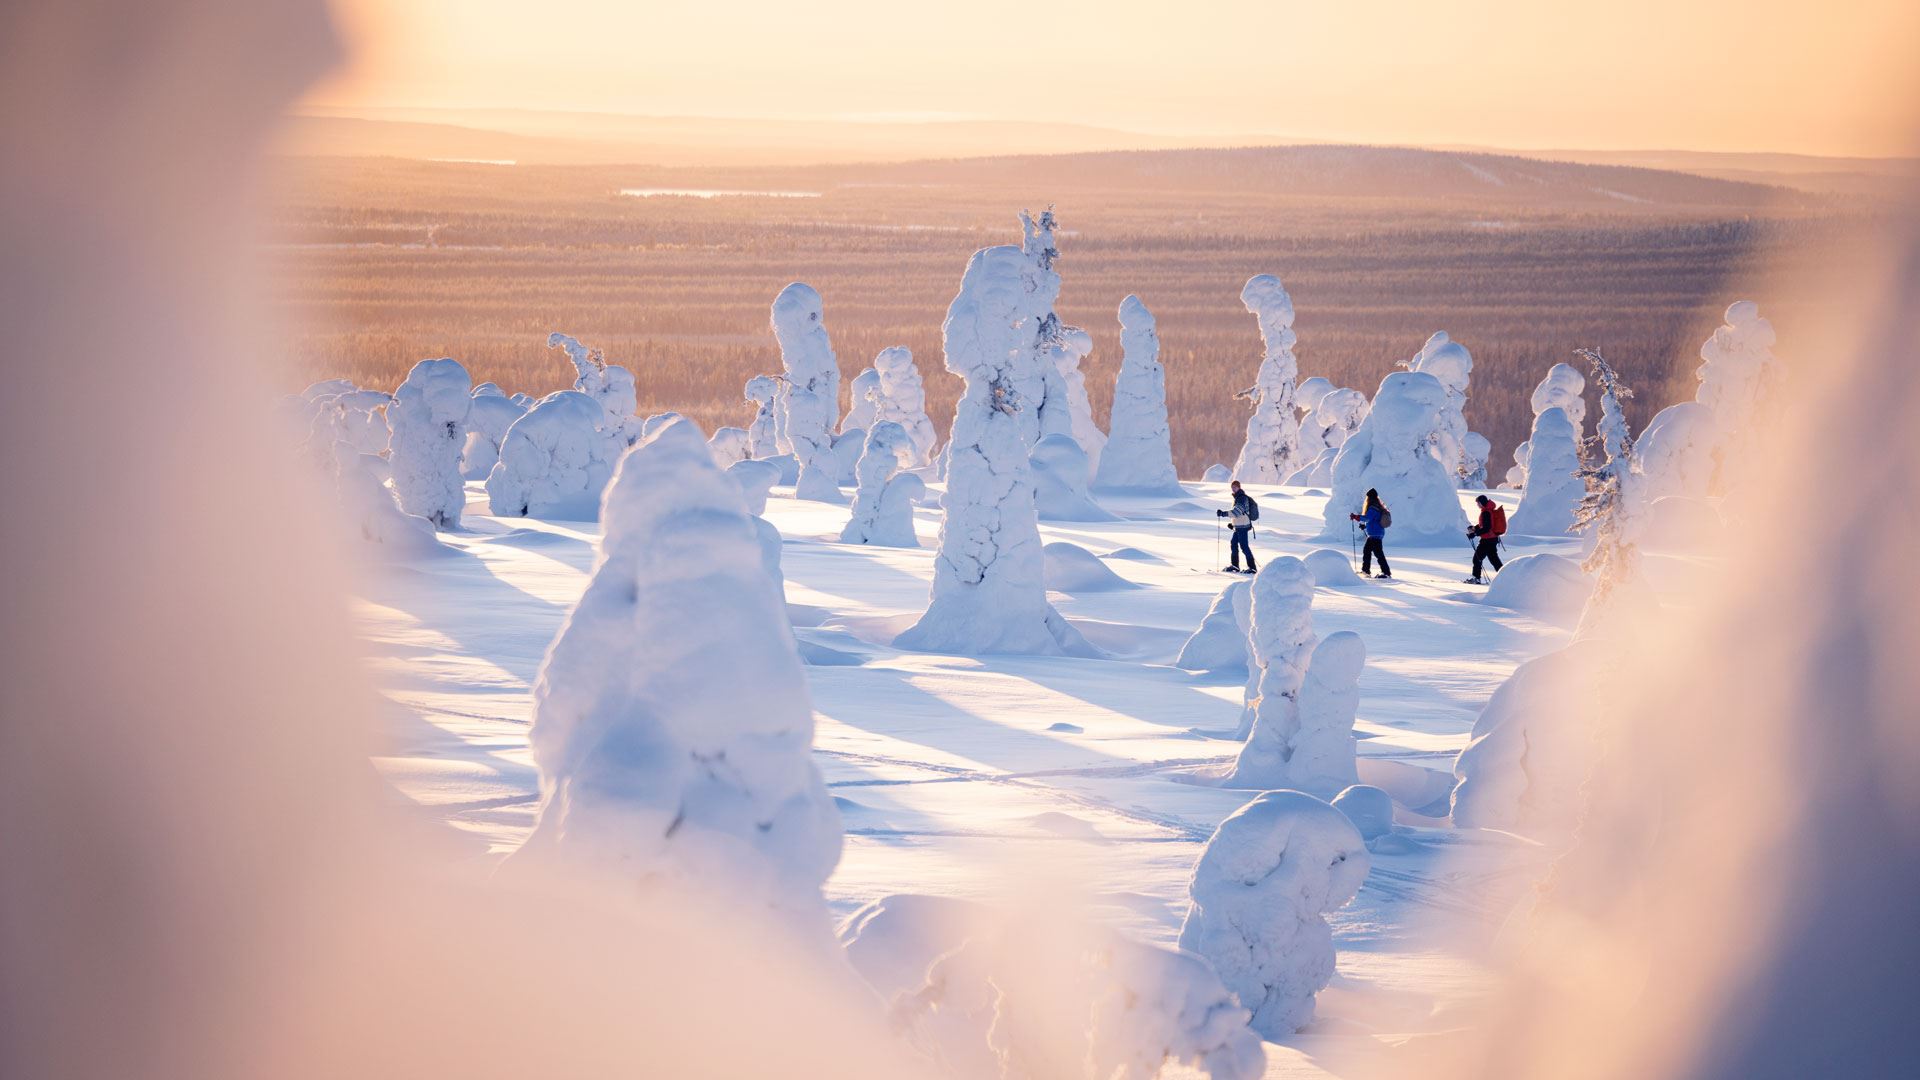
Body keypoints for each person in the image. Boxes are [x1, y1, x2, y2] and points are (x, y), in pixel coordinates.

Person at [1216, 480, 1259, 573]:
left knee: (1244, 546)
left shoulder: (1241, 498)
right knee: (1233, 544)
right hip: (1239, 526)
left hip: (1243, 527)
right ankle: (1235, 566)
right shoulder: (1237, 498)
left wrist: (1223, 513)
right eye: (1232, 487)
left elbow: (1236, 512)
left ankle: (1252, 568)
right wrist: (1233, 524)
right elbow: (1239, 514)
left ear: (1239, 487)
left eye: (1235, 487)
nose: (1233, 489)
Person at [1348, 488, 1391, 578]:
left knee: (1376, 553)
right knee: (1371, 552)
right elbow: (1374, 521)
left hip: (1374, 534)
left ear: (1369, 498)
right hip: (1377, 533)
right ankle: (1368, 570)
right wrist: (1365, 527)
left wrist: (1356, 517)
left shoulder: (1373, 508)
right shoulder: (1378, 507)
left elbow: (1367, 518)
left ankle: (1384, 572)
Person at [1466, 494, 1507, 583]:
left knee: (1477, 559)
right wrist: (1474, 528)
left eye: (1478, 503)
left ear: (1482, 503)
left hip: (1487, 540)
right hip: (1492, 539)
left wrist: (1475, 534)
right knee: (1494, 559)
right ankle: (1505, 578)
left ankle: (1476, 578)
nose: (1477, 505)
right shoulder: (1488, 510)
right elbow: (1484, 525)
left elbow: (1487, 528)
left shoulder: (1486, 512)